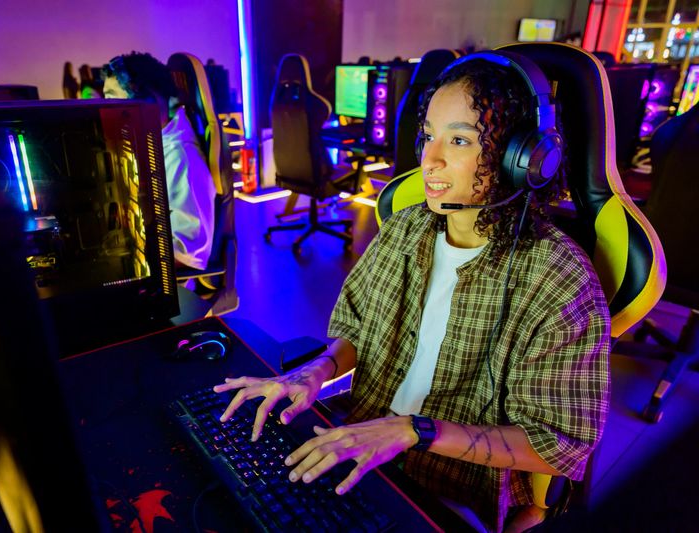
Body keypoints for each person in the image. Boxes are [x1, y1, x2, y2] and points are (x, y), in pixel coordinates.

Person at [214, 55, 611, 532]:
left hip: (454, 486)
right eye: (428, 136)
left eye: (459, 140)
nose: (430, 159)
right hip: (356, 436)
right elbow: (357, 329)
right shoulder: (406, 227)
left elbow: (561, 442)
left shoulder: (557, 277)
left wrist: (412, 431)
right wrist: (313, 372)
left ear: (522, 158)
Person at [102, 51, 215, 270]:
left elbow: (187, 255)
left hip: (174, 288)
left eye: (113, 98)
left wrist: (127, 268)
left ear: (147, 101)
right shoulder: (152, 142)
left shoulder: (180, 158)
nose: (107, 109)